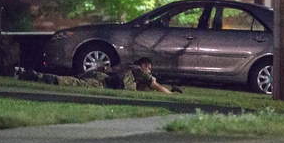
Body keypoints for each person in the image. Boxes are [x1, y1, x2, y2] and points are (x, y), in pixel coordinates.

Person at [20, 57, 181, 94]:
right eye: (149, 69)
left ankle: (36, 75)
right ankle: (41, 77)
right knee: (74, 84)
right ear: (144, 66)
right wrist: (171, 94)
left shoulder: (126, 67)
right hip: (106, 82)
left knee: (77, 81)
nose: (150, 72)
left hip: (98, 74)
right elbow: (156, 85)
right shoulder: (138, 71)